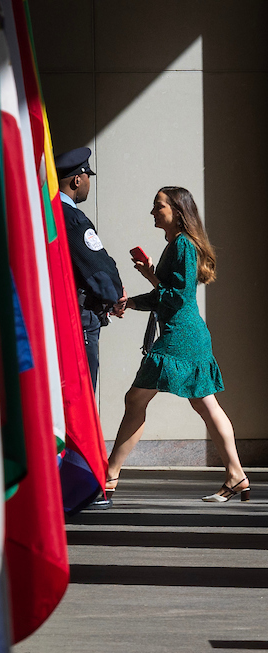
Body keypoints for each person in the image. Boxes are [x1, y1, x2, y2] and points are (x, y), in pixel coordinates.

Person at [105, 186, 249, 502]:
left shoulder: (183, 245)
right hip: (187, 335)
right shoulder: (177, 244)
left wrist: (151, 277)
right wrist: (129, 302)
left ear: (177, 211)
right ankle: (236, 475)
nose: (153, 212)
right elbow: (164, 295)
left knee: (136, 399)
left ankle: (110, 475)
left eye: (159, 206)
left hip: (180, 337)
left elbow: (177, 297)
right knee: (205, 404)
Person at [54, 147, 127, 391]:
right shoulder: (72, 218)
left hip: (56, 314)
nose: (88, 184)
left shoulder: (46, 213)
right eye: (87, 178)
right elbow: (98, 268)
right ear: (77, 179)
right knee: (81, 393)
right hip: (79, 318)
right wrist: (115, 296)